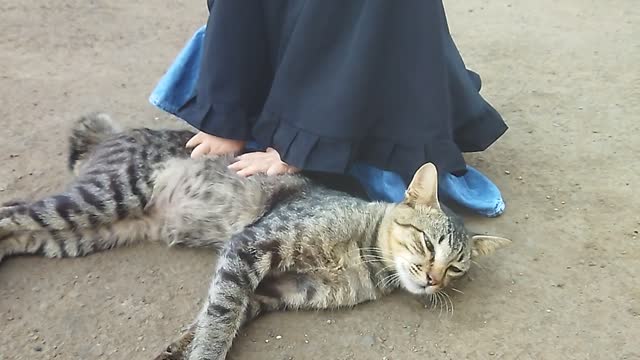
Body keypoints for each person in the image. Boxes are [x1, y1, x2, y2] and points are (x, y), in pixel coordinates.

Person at [150, 0, 508, 217]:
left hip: (370, 64)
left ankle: (318, 131)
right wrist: (226, 113)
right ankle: (253, 110)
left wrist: (299, 142)